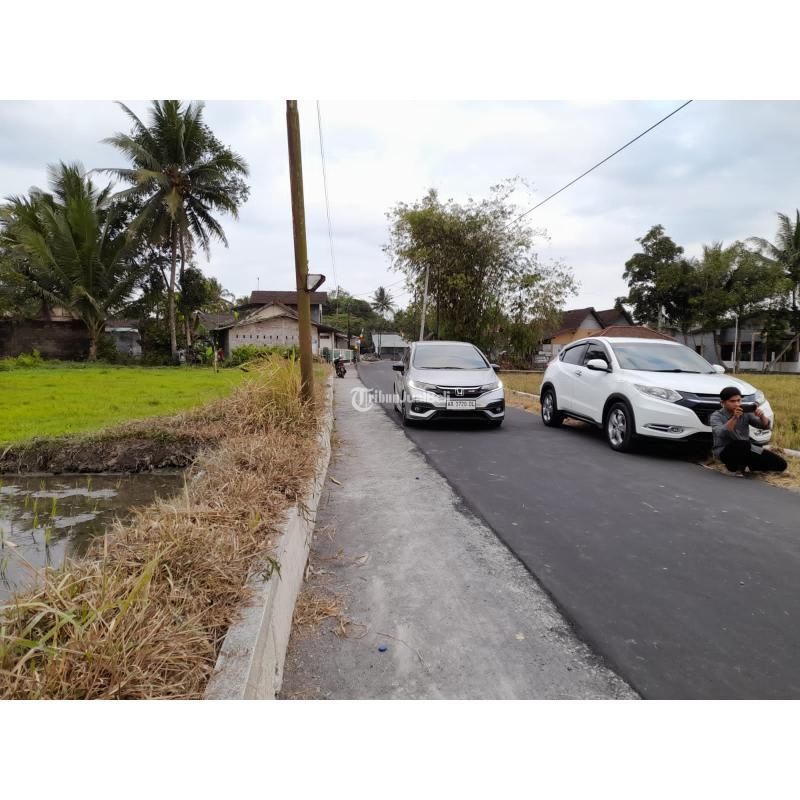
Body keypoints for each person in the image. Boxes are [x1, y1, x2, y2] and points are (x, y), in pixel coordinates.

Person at [710, 386, 787, 475]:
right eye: (732, 401)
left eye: (738, 400)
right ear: (722, 403)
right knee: (741, 444)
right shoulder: (716, 416)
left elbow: (765, 426)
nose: (737, 404)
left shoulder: (745, 412)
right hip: (724, 450)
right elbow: (721, 433)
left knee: (781, 464)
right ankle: (732, 469)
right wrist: (734, 417)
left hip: (746, 448)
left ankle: (748, 466)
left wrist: (762, 416)